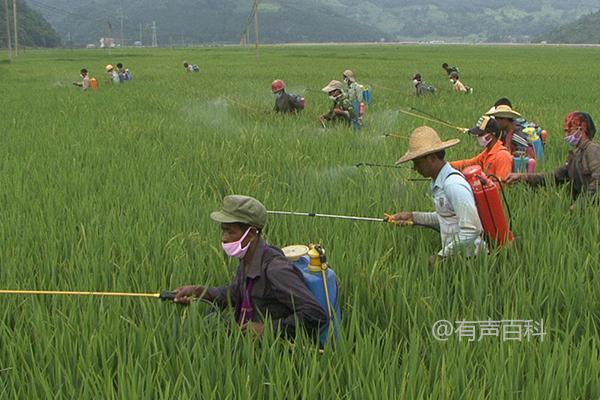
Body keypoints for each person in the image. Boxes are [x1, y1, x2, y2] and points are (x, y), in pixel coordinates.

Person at [173, 195, 326, 339]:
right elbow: (235, 294)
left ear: (252, 233)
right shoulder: (248, 259)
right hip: (246, 339)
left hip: (274, 350)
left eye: (230, 232)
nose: (224, 238)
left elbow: (315, 314)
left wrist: (268, 329)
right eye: (223, 231)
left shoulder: (276, 270)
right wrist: (200, 292)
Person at [386, 126, 485, 264]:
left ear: (431, 158)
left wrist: (441, 256)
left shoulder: (453, 185)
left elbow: (472, 229)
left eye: (417, 162)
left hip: (471, 260)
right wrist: (413, 217)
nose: (415, 168)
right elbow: (446, 218)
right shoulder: (440, 183)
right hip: (458, 259)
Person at [506, 112, 600, 208]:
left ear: (581, 130)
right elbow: (553, 177)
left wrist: (581, 204)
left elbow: (598, 180)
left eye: (569, 131)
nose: (567, 135)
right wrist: (523, 177)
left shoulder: (592, 149)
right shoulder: (576, 155)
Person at [450, 116, 513, 181]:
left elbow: (503, 185)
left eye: (481, 134)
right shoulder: (486, 153)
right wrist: (447, 165)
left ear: (492, 134)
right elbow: (468, 164)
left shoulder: (502, 156)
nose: (478, 137)